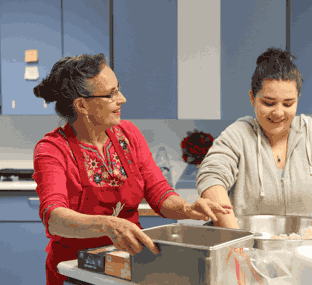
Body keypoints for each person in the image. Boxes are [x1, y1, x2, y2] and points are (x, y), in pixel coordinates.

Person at [32, 53, 231, 284]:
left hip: (130, 266)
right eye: (111, 94)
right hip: (75, 271)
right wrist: (109, 225)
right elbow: (53, 217)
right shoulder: (52, 150)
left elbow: (159, 193)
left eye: (119, 89)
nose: (122, 99)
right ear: (82, 105)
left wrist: (188, 209)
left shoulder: (129, 135)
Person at [196, 47, 312, 238]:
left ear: (298, 99)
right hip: (248, 253)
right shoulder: (237, 135)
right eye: (268, 103)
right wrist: (235, 237)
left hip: (309, 252)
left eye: (288, 103)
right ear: (252, 98)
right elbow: (211, 179)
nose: (279, 113)